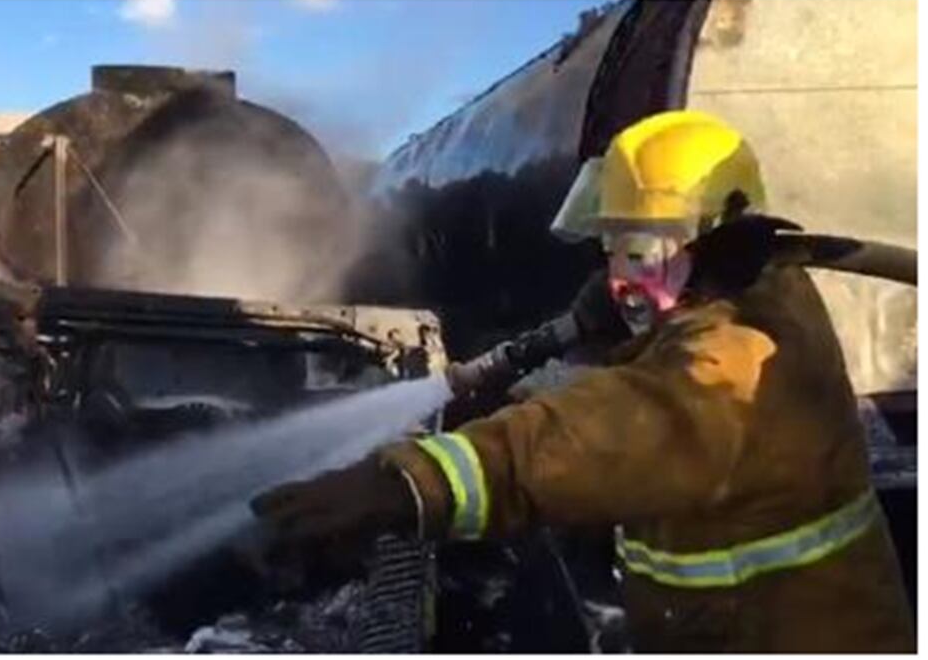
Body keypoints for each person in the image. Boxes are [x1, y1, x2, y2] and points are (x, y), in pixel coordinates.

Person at [251, 110, 915, 652]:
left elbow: (617, 430)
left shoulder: (737, 354)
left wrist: (412, 481)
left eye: (641, 254)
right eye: (610, 250)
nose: (620, 279)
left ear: (719, 244)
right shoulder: (735, 293)